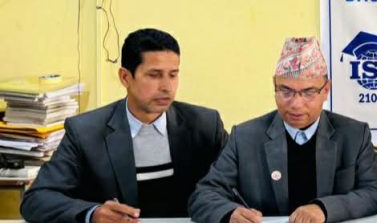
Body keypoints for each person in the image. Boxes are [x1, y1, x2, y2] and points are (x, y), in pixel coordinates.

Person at [20, 28, 228, 223]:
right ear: (125, 77)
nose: (167, 87)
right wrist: (93, 214)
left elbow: (235, 186)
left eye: (173, 75)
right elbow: (37, 199)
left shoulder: (204, 126)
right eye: (154, 75)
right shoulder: (86, 131)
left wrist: (229, 211)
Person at [188, 37, 377, 223]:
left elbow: (374, 194)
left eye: (308, 92)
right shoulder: (245, 137)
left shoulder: (354, 135)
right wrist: (230, 213)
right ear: (274, 86)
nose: (296, 104)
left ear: (325, 90)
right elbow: (203, 196)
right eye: (285, 91)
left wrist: (324, 209)